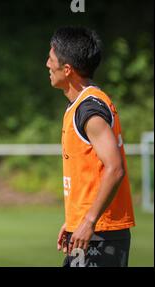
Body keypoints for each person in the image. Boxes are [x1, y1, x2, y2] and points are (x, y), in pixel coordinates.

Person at [46, 26, 135, 267]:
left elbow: (115, 168)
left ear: (67, 70)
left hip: (101, 236)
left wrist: (89, 221)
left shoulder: (89, 110)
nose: (47, 64)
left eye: (51, 59)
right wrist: (76, 220)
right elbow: (90, 174)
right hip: (92, 233)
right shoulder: (79, 106)